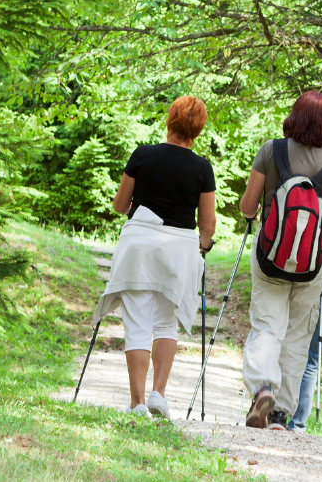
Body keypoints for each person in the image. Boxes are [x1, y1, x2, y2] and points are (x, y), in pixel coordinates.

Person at [91, 95, 216, 419]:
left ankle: (138, 404)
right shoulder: (203, 168)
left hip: (140, 248)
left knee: (137, 325)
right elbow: (207, 223)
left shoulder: (143, 155)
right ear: (198, 129)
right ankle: (158, 393)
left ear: (169, 120)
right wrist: (203, 246)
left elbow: (120, 205)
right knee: (165, 325)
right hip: (179, 251)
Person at [238, 90, 322, 430]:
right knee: (298, 335)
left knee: (267, 325)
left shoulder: (270, 150)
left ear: (295, 116)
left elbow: (247, 206)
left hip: (270, 257)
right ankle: (279, 413)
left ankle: (262, 388)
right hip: (312, 265)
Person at [287, 295, 322, 432]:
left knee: (288, 351)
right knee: (311, 361)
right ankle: (297, 424)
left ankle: (276, 416)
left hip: (305, 289)